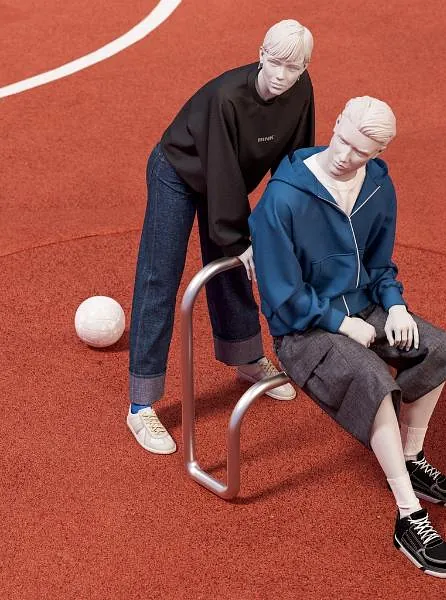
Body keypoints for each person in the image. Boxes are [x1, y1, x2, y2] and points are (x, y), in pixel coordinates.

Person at [249, 97, 446, 578]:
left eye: (361, 153)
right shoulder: (283, 199)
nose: (346, 156)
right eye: (344, 142)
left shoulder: (378, 186)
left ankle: (410, 458)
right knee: (374, 381)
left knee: (439, 349)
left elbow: (380, 263)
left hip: (368, 307)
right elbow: (281, 292)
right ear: (335, 125)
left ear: (377, 153)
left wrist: (395, 305)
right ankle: (409, 514)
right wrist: (339, 322)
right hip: (303, 329)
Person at [127, 20, 315, 455]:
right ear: (261, 53)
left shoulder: (301, 91)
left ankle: (245, 358)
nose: (282, 75)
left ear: (305, 68)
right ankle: (140, 404)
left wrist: (289, 225)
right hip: (179, 172)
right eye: (276, 62)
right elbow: (223, 174)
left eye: (293, 67)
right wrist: (239, 239)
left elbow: (296, 161)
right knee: (161, 276)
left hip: (225, 179)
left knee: (232, 268)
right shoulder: (227, 97)